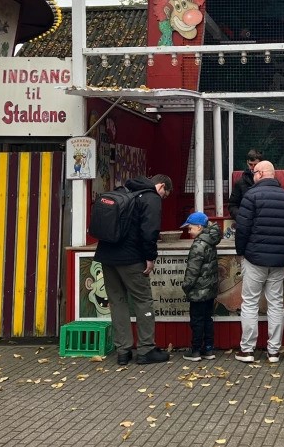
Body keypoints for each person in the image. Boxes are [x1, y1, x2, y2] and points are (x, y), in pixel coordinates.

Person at [93, 173, 173, 365]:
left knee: (117, 301)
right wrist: (150, 257)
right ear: (161, 186)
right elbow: (150, 230)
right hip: (131, 258)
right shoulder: (151, 197)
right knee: (143, 300)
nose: (162, 198)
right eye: (165, 195)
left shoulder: (123, 190)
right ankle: (146, 350)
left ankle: (123, 351)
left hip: (107, 255)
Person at [234, 160, 284, 363]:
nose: (252, 176)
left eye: (254, 173)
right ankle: (274, 351)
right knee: (276, 304)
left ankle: (247, 350)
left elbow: (242, 229)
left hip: (255, 260)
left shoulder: (251, 196)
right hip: (279, 262)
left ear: (261, 174)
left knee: (250, 303)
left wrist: (241, 252)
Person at [180, 211, 220, 361]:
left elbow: (192, 270)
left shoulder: (198, 245)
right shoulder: (211, 241)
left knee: (196, 320)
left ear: (199, 227)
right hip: (210, 289)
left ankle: (196, 350)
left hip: (198, 290)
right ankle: (208, 349)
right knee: (207, 319)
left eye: (190, 228)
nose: (189, 231)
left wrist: (186, 286)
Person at [228, 149, 263, 220]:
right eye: (250, 164)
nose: (253, 168)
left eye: (255, 165)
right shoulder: (240, 183)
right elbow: (232, 205)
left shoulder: (269, 180)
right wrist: (241, 217)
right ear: (247, 163)